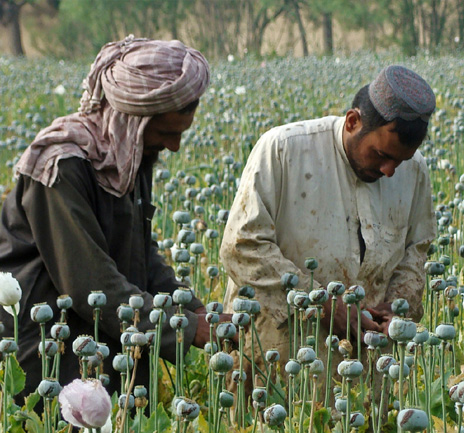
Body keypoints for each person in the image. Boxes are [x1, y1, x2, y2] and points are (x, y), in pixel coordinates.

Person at [0, 36, 216, 398]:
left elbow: (142, 258)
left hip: (108, 342)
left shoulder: (127, 157)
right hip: (47, 354)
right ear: (132, 120)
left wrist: (192, 307)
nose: (174, 146)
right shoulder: (61, 167)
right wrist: (186, 329)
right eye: (166, 133)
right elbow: (90, 284)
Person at [220, 65, 436, 369]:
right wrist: (319, 304)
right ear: (352, 121)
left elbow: (416, 252)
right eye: (381, 155)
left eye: (400, 161)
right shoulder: (284, 150)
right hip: (278, 358)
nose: (389, 171)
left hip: (367, 364)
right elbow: (242, 247)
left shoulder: (413, 171)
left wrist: (399, 308)